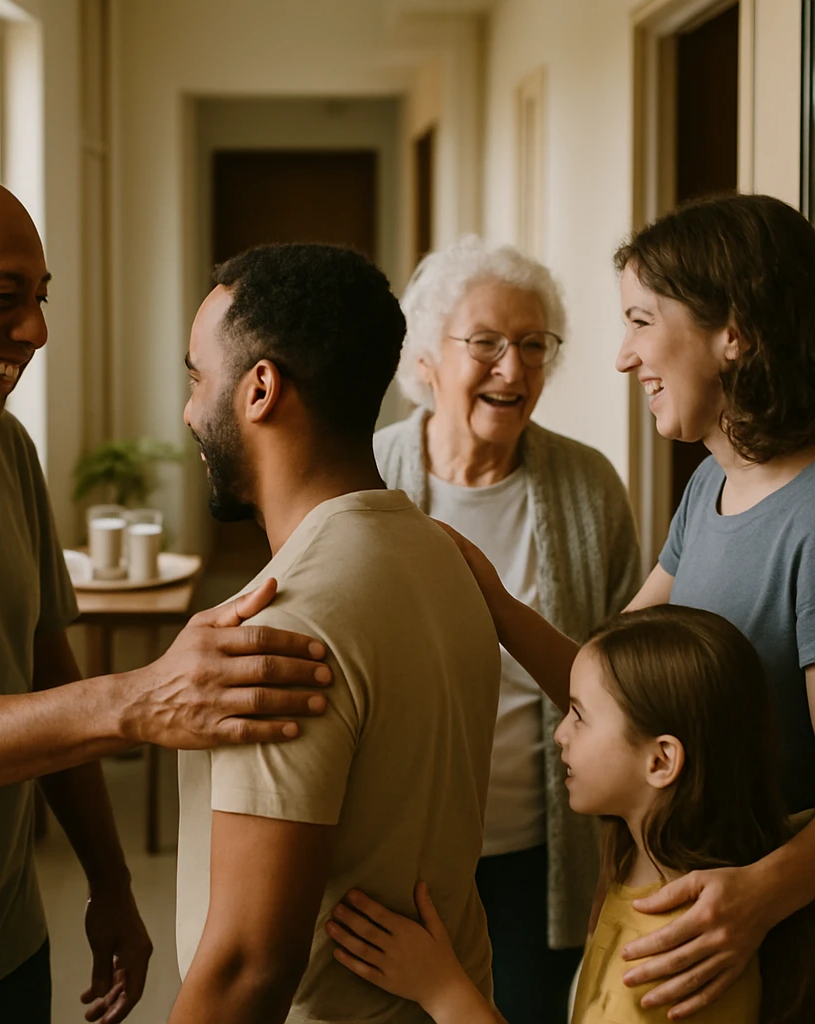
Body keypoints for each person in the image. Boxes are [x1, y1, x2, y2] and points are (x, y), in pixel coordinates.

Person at [0, 163, 334, 1024]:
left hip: (9, 946)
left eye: (41, 297)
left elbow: (48, 674)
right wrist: (140, 699)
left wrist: (110, 881)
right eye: (3, 296)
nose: (37, 330)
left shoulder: (4, 446)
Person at [444, 193, 815, 1019]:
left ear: (733, 331)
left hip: (764, 954)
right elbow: (603, 682)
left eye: (642, 321)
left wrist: (761, 894)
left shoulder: (811, 523)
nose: (623, 357)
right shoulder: (711, 486)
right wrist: (490, 598)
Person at [171, 242, 502, 1024]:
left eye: (197, 378)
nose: (189, 410)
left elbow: (249, 967)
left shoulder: (282, 627)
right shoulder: (441, 556)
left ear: (260, 389)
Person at [374, 235, 640, 1023]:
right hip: (399, 849)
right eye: (486, 343)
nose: (512, 370)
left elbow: (625, 676)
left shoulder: (589, 486)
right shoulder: (368, 475)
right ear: (426, 358)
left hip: (540, 851)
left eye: (532, 345)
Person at [329, 607, 814, 1023]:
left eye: (579, 715)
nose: (560, 733)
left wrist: (440, 989)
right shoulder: (657, 860)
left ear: (660, 761)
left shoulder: (660, 965)